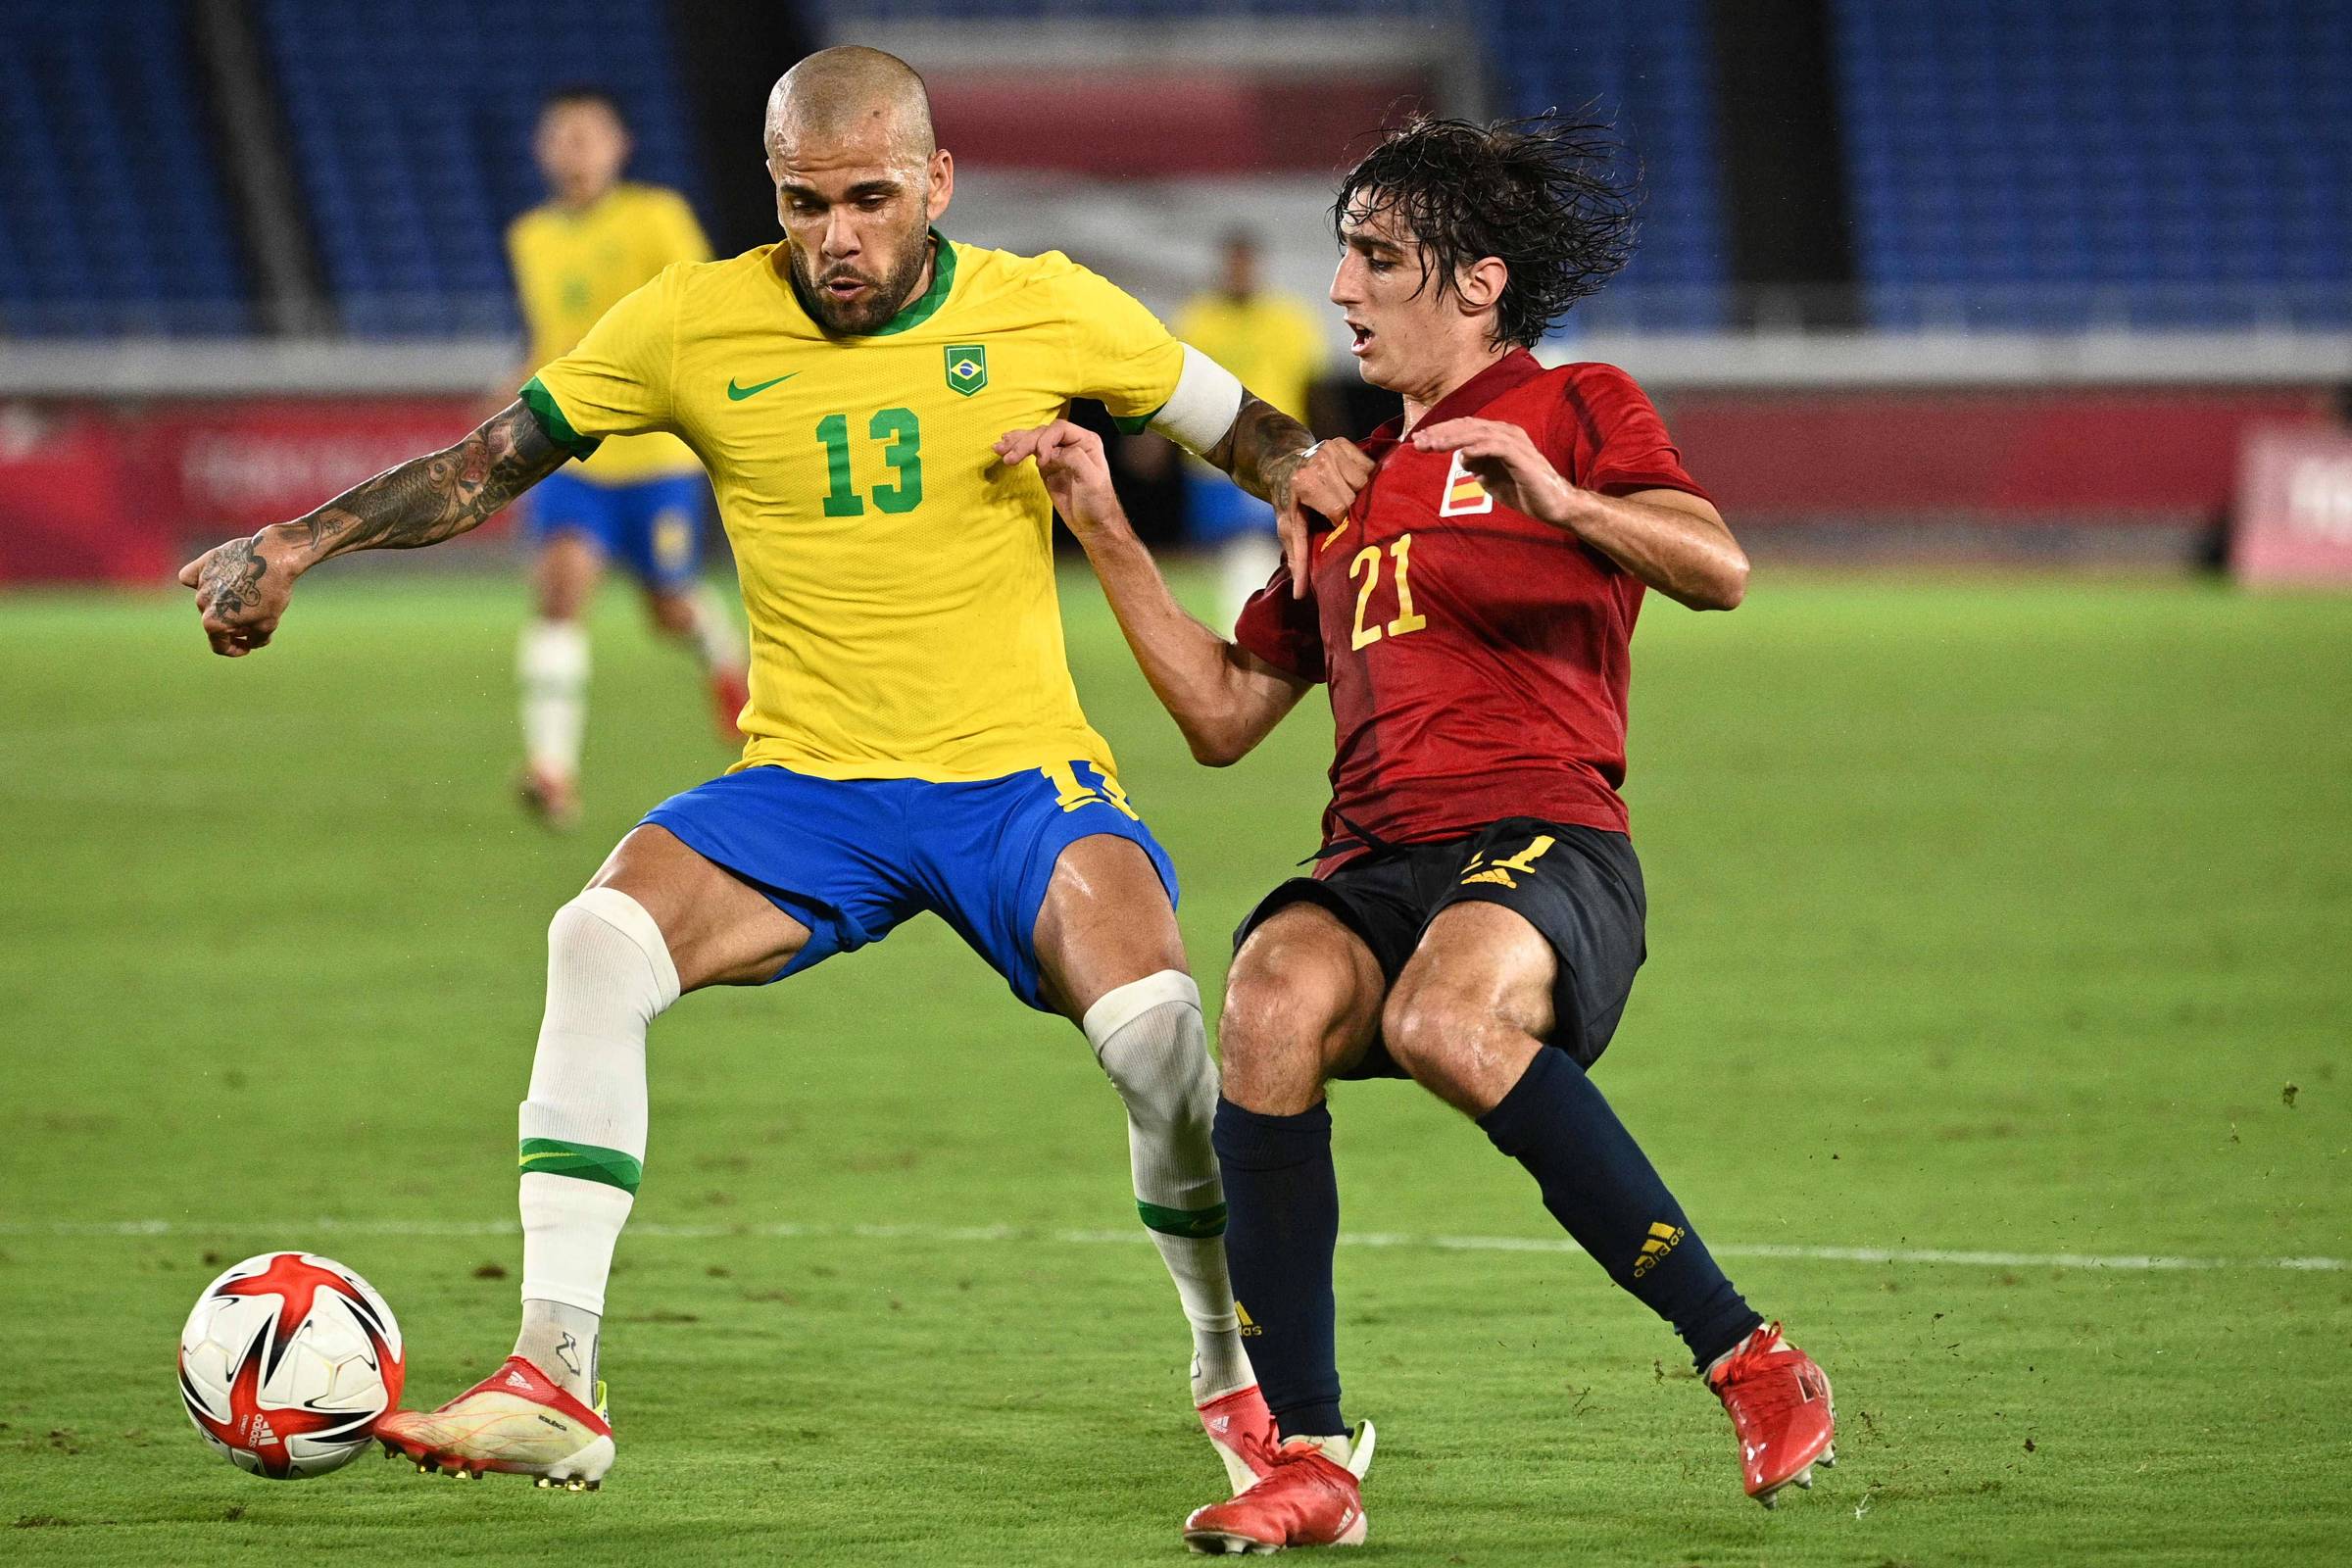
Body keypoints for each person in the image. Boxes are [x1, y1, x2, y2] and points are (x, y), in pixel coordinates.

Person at [177, 46, 1366, 1494]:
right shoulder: (692, 320)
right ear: (775, 192)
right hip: (808, 785)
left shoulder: (1046, 302)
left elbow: (1233, 423)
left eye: (871, 198)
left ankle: (1226, 1377)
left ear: (937, 181)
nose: (839, 237)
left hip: (1017, 781)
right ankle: (557, 1372)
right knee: (597, 939)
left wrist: (1313, 471)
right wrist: (292, 545)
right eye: (807, 203)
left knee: (1162, 1036)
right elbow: (492, 462)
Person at [996, 113, 1835, 1554]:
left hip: (1545, 840)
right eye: (1343, 257)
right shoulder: (1341, 482)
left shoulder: (1577, 408)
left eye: (1376, 259)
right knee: (1259, 1002)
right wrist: (1106, 532)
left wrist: (1567, 503)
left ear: (1476, 282)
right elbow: (1220, 714)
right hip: (1376, 859)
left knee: (1453, 1016)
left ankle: (1751, 1358)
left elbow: (1721, 568)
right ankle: (1309, 1458)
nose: (1341, 290)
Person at [506, 85, 750, 829]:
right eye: (562, 137)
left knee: (668, 609)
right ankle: (552, 771)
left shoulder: (656, 217)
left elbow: (700, 310)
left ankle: (725, 663)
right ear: (543, 151)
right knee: (559, 592)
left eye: (589, 136)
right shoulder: (530, 236)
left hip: (656, 455)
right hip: (574, 455)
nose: (575, 151)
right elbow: (549, 336)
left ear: (619, 147)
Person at [1172, 231, 1329, 623]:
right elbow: (1172, 385)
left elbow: (1314, 387)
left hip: (1279, 452)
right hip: (1210, 451)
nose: (1239, 272)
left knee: (1263, 539)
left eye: (1246, 263)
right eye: (1233, 264)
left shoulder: (1289, 319)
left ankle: (1254, 625)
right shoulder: (1199, 319)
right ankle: (1251, 622)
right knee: (1233, 545)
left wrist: (1329, 440)